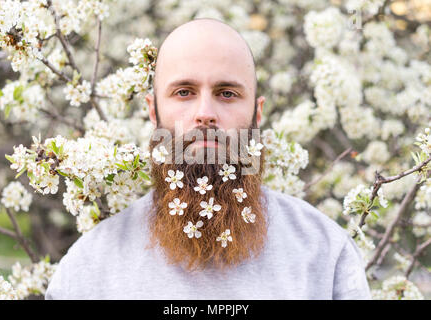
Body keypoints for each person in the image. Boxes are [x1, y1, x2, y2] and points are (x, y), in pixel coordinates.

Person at [45, 18, 372, 300]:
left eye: (227, 93)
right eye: (184, 92)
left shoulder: (325, 253)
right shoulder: (89, 268)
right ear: (152, 110)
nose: (205, 114)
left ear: (257, 114)